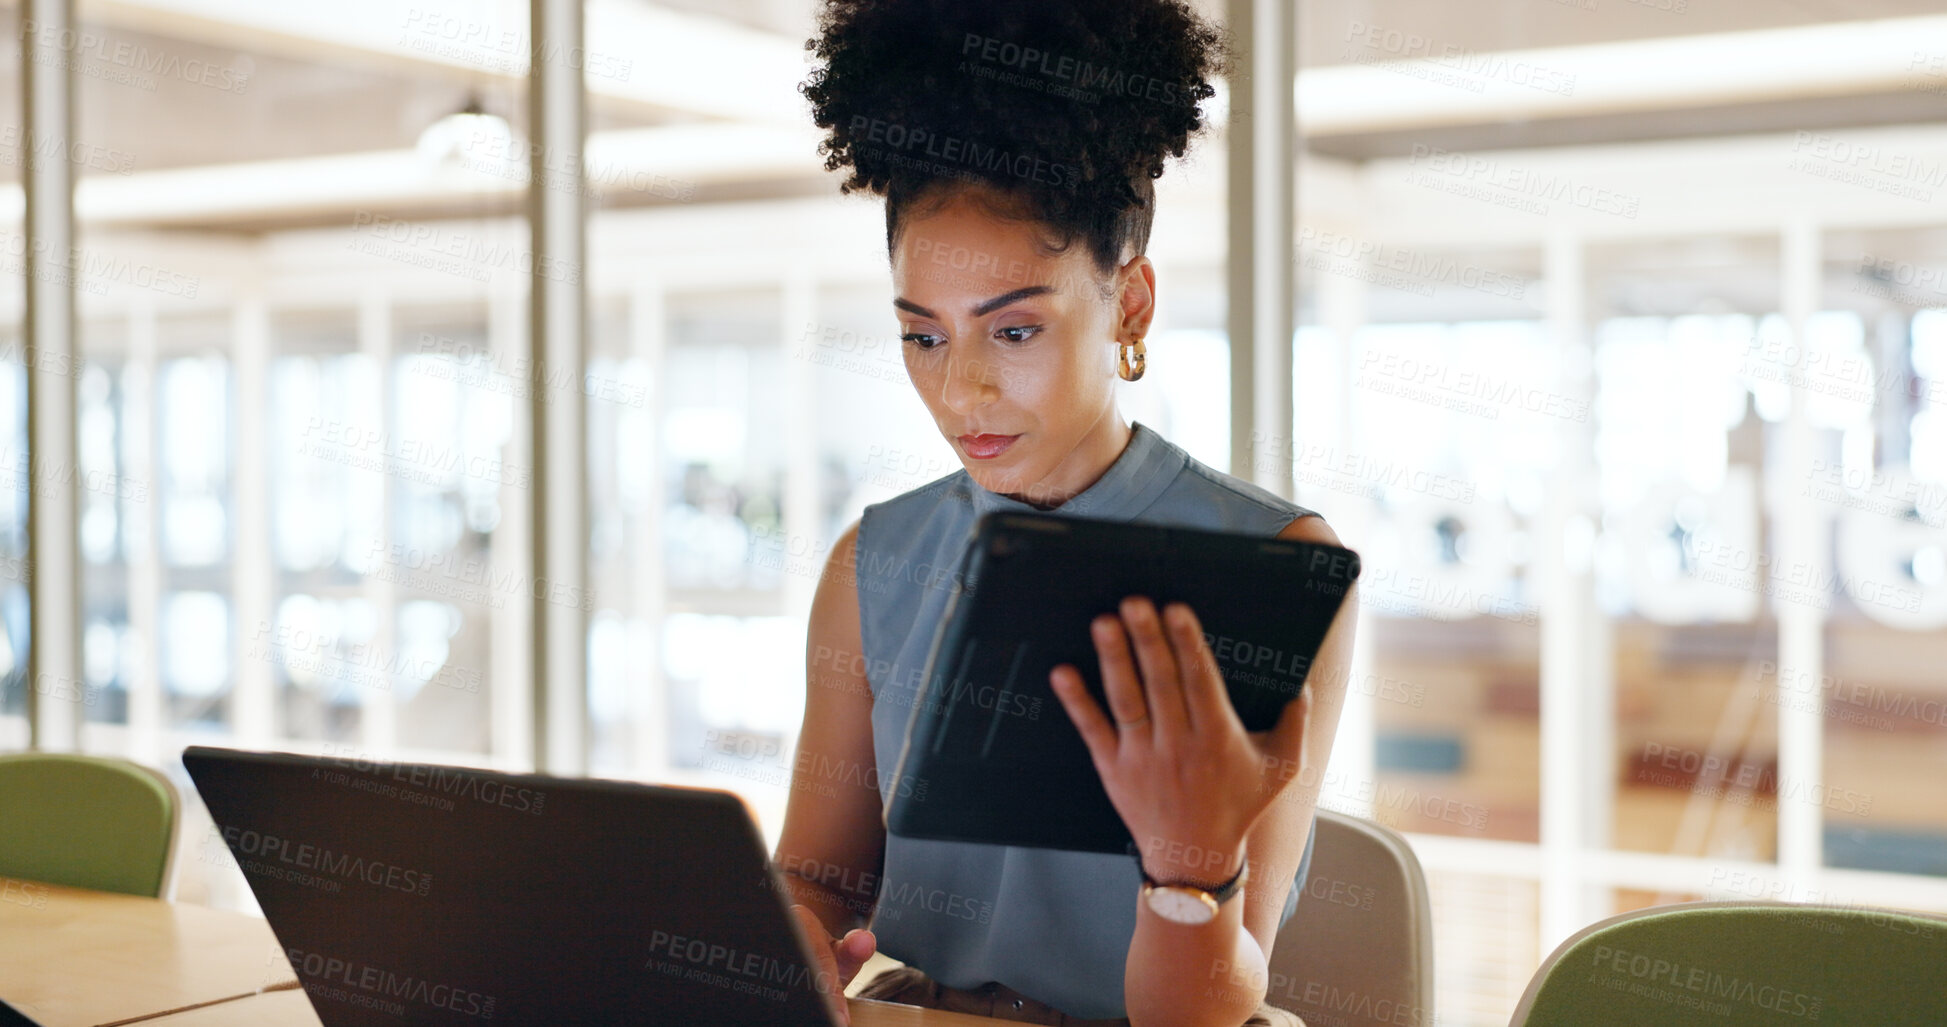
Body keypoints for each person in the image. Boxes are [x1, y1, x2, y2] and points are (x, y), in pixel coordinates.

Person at [774, 2, 1356, 1024]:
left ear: (1128, 304)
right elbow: (818, 878)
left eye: (1014, 330)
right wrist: (792, 937)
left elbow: (1206, 1009)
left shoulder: (1275, 563)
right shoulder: (876, 561)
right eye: (923, 337)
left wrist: (1188, 864)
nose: (961, 392)